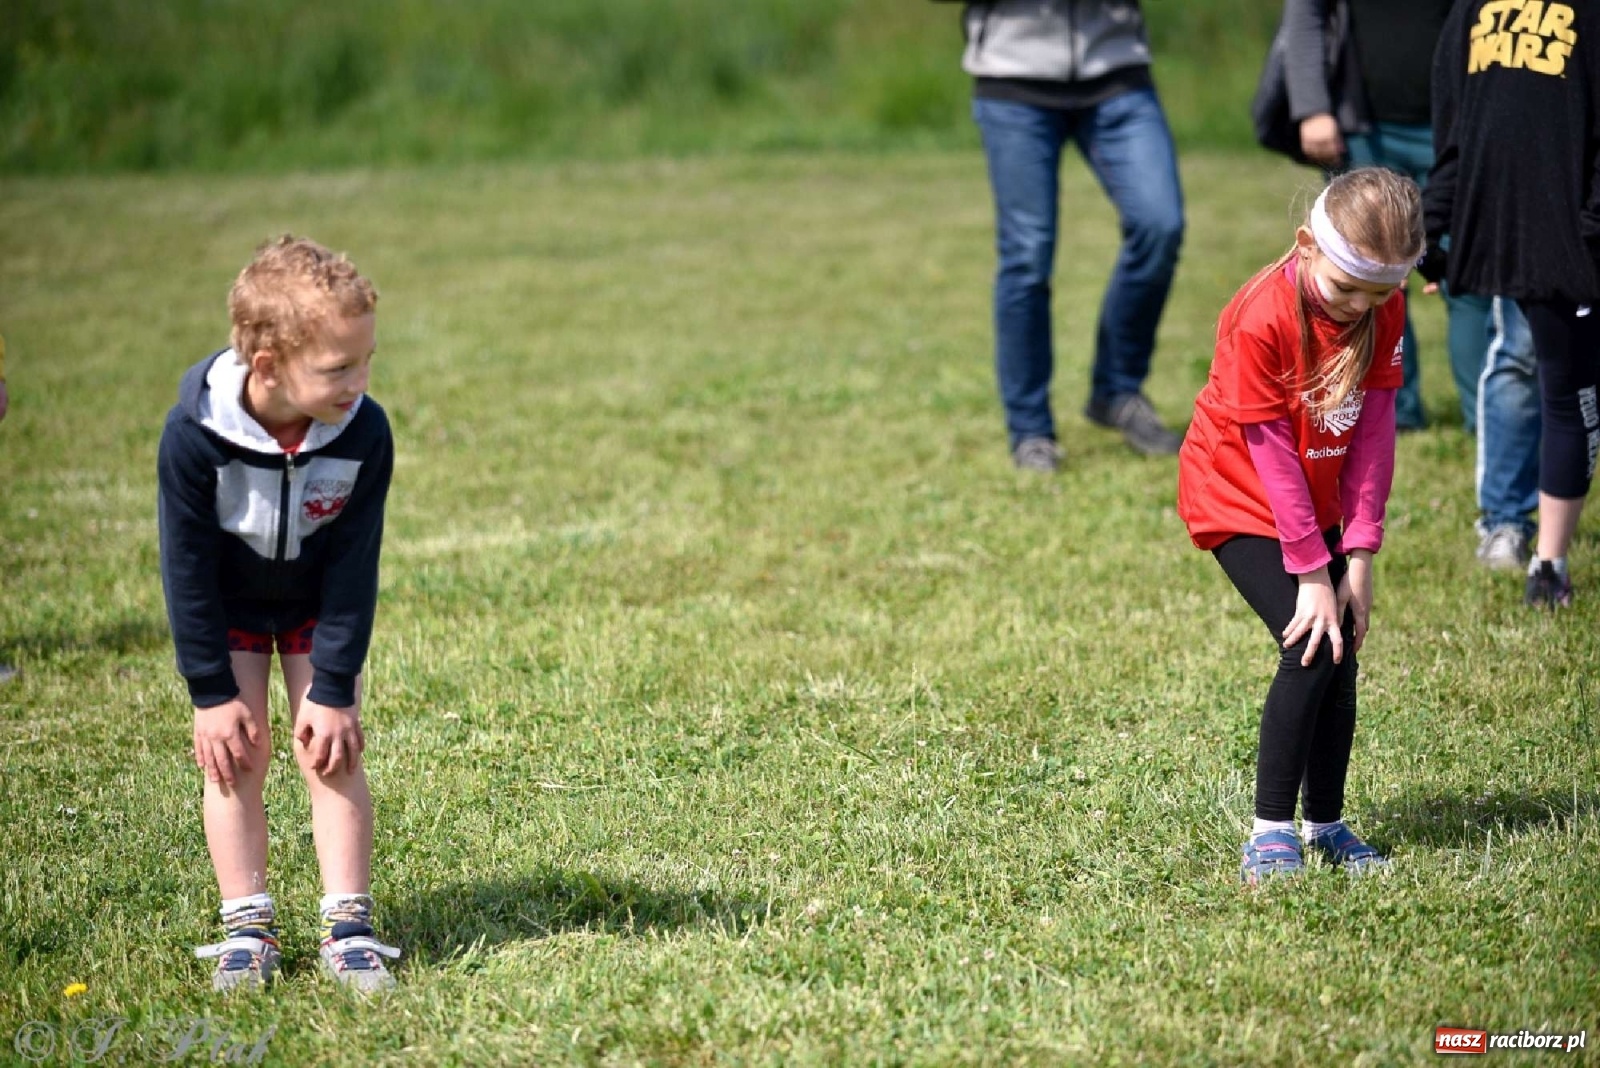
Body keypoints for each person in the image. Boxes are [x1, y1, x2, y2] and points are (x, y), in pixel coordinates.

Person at [158, 236, 399, 991]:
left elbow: (356, 567)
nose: (358, 383)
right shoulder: (195, 437)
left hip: (313, 607)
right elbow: (186, 569)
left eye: (366, 361)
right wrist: (209, 693)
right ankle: (248, 928)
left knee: (332, 749)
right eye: (338, 368)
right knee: (236, 756)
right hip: (228, 607)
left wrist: (333, 686)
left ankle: (349, 928)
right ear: (267, 367)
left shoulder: (364, 432)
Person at [1178, 168, 1421, 884]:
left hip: (1319, 505)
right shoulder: (1262, 316)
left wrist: (1362, 552)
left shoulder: (1384, 310)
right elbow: (1272, 455)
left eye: (1377, 294)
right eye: (1346, 288)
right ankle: (1270, 832)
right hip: (1238, 495)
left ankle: (1327, 824)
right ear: (1305, 244)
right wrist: (1313, 573)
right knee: (1313, 644)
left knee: (1343, 650)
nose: (1358, 308)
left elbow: (1375, 432)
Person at [935, 0, 1186, 470]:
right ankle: (1030, 430)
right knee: (1027, 255)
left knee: (1160, 224)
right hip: (1013, 79)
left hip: (1117, 69)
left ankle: (1117, 390)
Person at [1423, 0, 1598, 608]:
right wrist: (1430, 233)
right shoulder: (1472, 13)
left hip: (1578, 238)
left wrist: (1590, 230)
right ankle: (1546, 563)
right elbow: (1456, 140)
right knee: (1560, 388)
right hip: (1536, 248)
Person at [1282, 0, 1478, 433]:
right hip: (1365, 127)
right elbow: (1306, 13)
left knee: (1465, 274)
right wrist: (1312, 105)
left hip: (1457, 125)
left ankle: (1485, 416)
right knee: (1366, 273)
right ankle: (1390, 412)